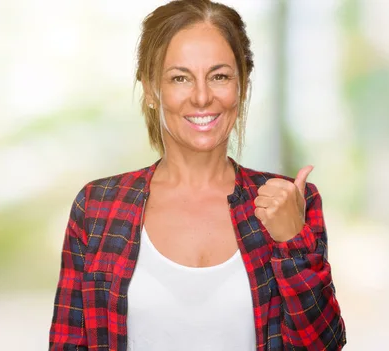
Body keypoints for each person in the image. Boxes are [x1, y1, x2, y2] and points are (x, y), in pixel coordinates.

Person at [48, 1, 346, 350]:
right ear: (150, 90)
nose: (202, 97)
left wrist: (292, 242)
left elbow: (323, 345)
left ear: (243, 85)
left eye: (219, 76)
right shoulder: (97, 208)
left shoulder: (293, 201)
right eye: (180, 78)